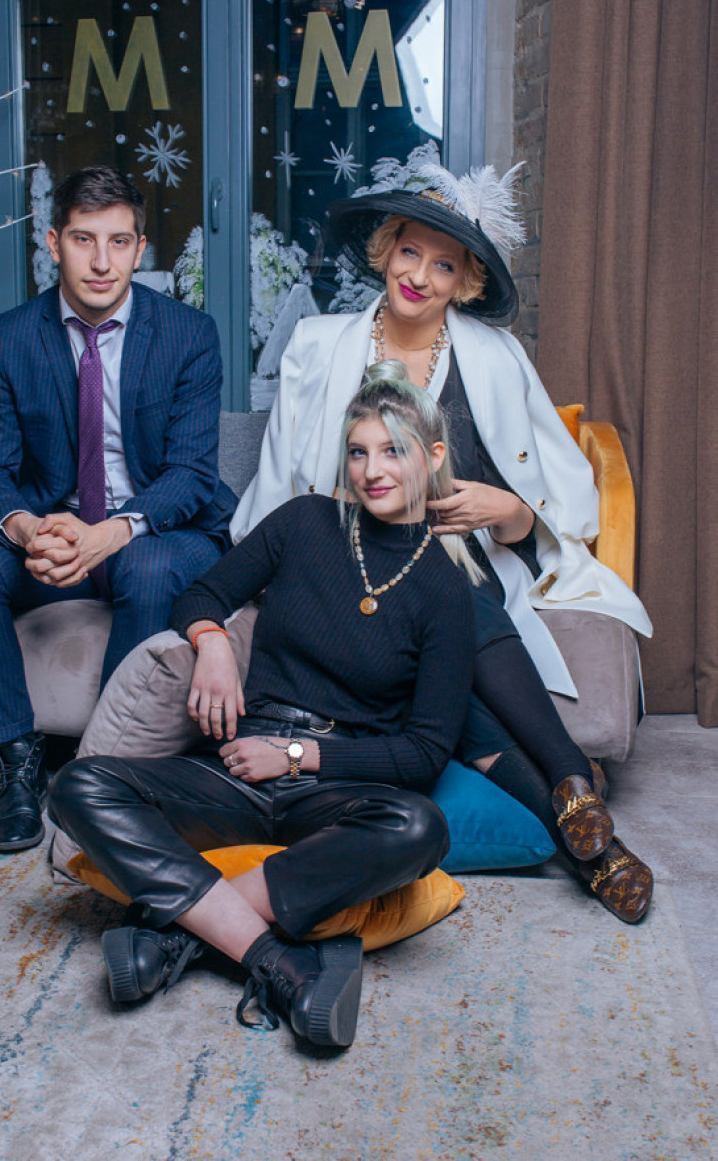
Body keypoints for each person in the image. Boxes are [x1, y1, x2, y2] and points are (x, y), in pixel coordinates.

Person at [232, 147, 653, 922]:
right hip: (353, 565)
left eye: (444, 265)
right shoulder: (318, 345)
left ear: (467, 282)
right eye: (409, 252)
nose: (419, 276)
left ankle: (579, 822)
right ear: (385, 249)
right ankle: (577, 798)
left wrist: (507, 509)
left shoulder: (496, 357)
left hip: (460, 569)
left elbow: (557, 501)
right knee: (447, 609)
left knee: (452, 592)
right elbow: (282, 489)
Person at [48, 364, 477, 1049]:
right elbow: (200, 594)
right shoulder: (305, 522)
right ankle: (279, 960)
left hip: (331, 788)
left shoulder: (447, 592)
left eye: (392, 450)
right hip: (235, 769)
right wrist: (214, 643)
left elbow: (424, 753)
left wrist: (298, 755)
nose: (372, 470)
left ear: (432, 457)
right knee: (78, 785)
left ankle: (174, 939)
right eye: (359, 451)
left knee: (420, 827)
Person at [0, 165, 235, 854]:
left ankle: (105, 770)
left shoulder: (188, 333)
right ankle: (15, 759)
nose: (102, 262)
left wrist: (111, 533)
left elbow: (191, 474)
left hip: (155, 529)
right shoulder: (11, 337)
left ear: (139, 247)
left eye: (119, 241)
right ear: (53, 243)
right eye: (83, 239)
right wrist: (30, 530)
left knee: (151, 568)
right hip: (55, 530)